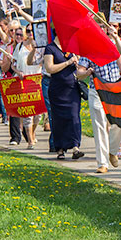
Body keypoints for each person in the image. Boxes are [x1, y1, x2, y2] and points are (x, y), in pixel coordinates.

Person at [77, 21, 121, 174]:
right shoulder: (89, 48)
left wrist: (115, 40)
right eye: (97, 27)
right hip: (97, 90)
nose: (101, 30)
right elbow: (79, 73)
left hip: (116, 88)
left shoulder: (116, 43)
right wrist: (88, 72)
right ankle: (102, 162)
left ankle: (112, 149)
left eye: (103, 26)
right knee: (99, 124)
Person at [43, 31, 84, 161]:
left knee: (74, 116)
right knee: (58, 119)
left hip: (71, 89)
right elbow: (49, 68)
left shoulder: (70, 48)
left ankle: (75, 147)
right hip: (57, 90)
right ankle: (60, 148)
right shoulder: (50, 48)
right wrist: (67, 63)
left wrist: (81, 67)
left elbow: (77, 69)